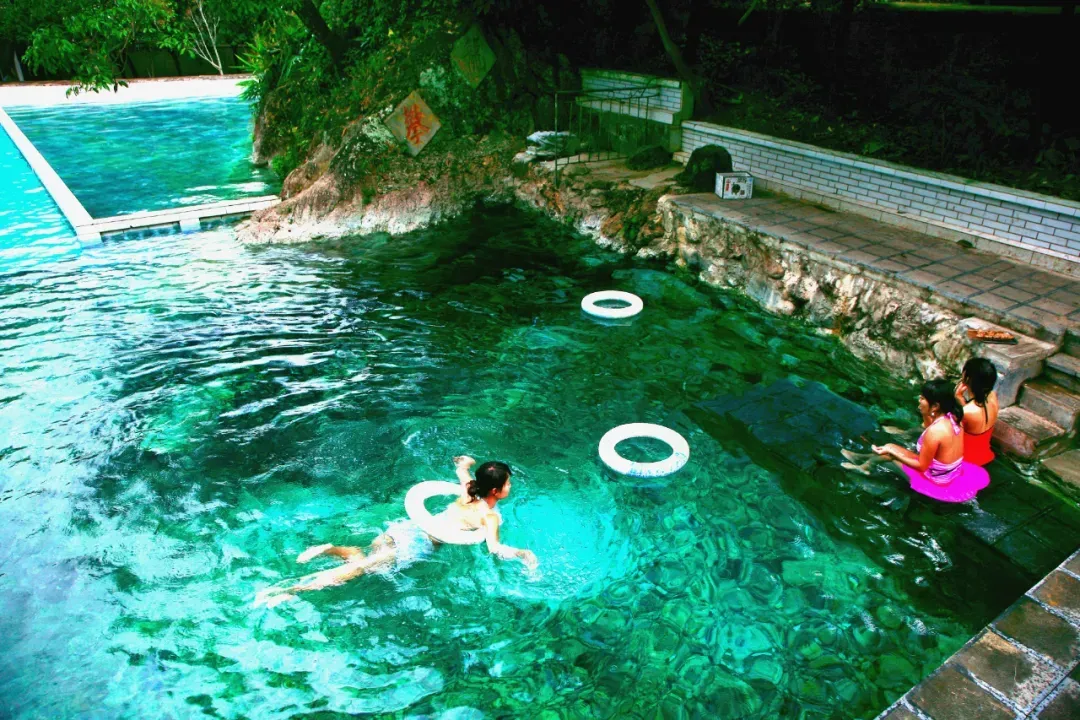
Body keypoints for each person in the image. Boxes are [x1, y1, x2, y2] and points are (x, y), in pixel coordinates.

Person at [253, 456, 537, 608]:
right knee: (360, 570)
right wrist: (523, 554)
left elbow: (462, 472)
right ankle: (292, 591)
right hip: (415, 546)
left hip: (403, 530)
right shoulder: (489, 516)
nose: (510, 487)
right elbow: (494, 548)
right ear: (496, 491)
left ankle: (331, 549)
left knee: (363, 557)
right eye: (508, 484)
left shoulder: (467, 491)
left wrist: (465, 463)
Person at [871, 378, 965, 485]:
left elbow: (921, 466)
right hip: (949, 473)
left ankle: (865, 468)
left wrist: (893, 454)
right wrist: (925, 412)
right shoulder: (954, 418)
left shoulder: (935, 431)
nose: (919, 399)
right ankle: (862, 460)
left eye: (923, 398)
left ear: (935, 406)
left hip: (935, 480)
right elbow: (930, 426)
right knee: (890, 446)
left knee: (888, 454)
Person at [954, 357, 999, 466]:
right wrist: (960, 400)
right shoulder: (993, 397)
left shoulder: (966, 412)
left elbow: (950, 436)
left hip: (966, 462)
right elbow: (974, 422)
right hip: (986, 456)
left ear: (967, 378)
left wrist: (958, 399)